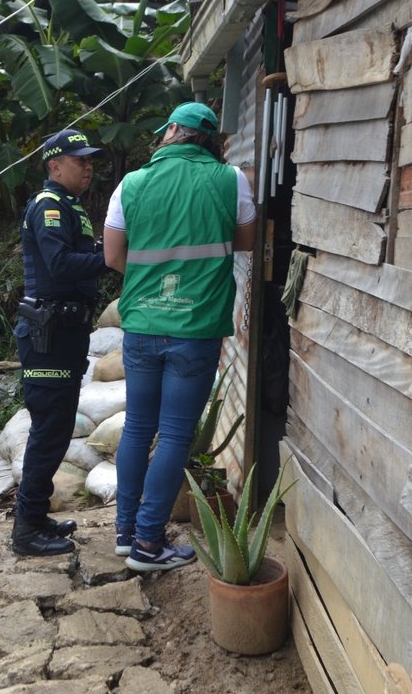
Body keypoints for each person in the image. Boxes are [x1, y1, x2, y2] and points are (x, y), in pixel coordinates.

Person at [103, 102, 256, 572]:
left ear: (171, 131)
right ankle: (149, 544)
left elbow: (112, 256)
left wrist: (155, 281)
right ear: (211, 139)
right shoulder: (231, 180)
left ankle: (127, 535)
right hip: (195, 329)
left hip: (142, 326)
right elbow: (247, 243)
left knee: (136, 428)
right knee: (173, 434)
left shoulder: (131, 183)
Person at [12, 129, 113, 556]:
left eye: (90, 160)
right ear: (55, 166)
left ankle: (36, 518)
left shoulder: (71, 207)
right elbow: (58, 264)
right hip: (47, 337)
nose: (88, 166)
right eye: (79, 160)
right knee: (49, 431)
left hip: (66, 334)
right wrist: (111, 258)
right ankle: (25, 532)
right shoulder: (49, 205)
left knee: (56, 428)